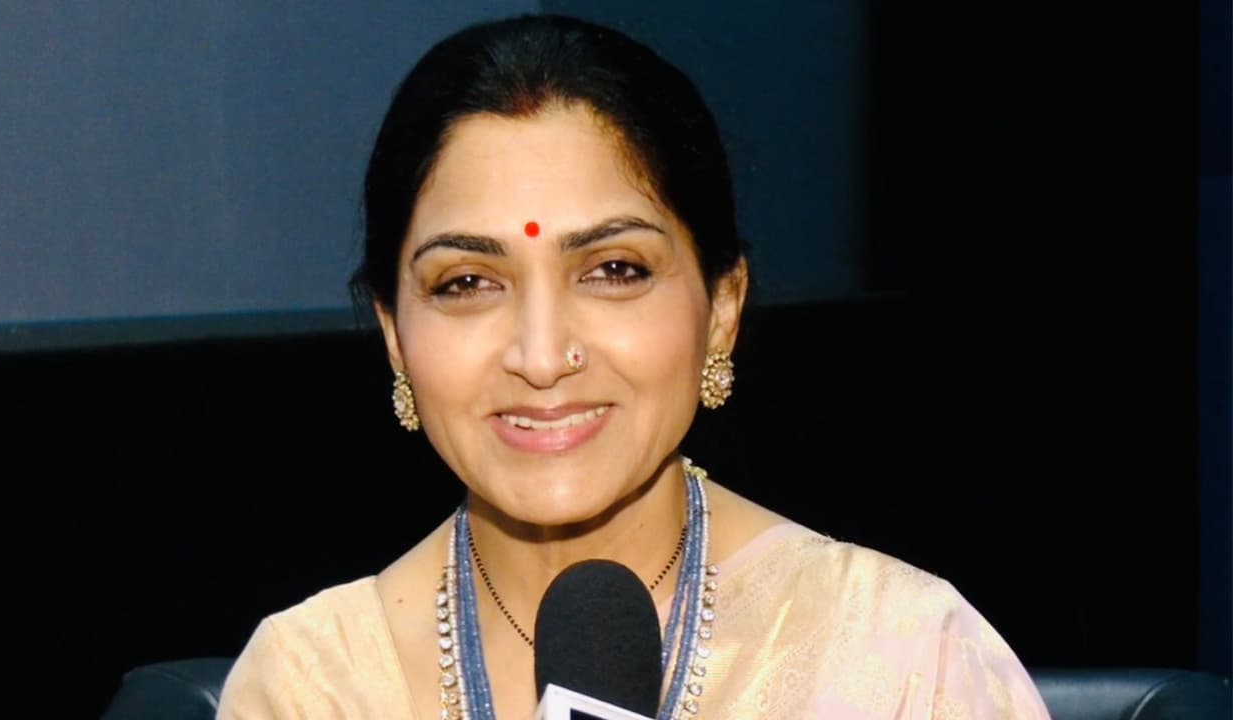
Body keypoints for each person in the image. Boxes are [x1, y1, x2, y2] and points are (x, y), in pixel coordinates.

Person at [218, 14, 1050, 720]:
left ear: (722, 307)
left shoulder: (903, 663)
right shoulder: (309, 687)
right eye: (467, 283)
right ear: (394, 335)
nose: (543, 357)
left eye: (614, 270)